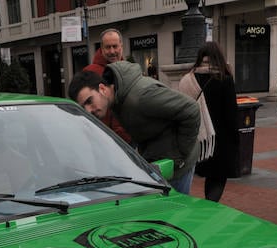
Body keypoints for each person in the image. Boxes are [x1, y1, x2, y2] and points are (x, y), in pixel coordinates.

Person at [69, 64, 200, 194]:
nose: (89, 110)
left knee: (176, 210)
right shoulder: (117, 100)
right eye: (83, 107)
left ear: (102, 88)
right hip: (159, 164)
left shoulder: (141, 97)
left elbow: (191, 110)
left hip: (178, 167)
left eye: (89, 101)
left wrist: (181, 156)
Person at [179, 42, 238, 202]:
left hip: (197, 140)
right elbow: (232, 114)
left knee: (198, 178)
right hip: (220, 140)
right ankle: (209, 207)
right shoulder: (224, 79)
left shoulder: (187, 80)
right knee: (217, 179)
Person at [83, 29, 132, 144]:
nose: (112, 51)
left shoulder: (130, 70)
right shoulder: (89, 73)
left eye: (115, 46)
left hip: (128, 140)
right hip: (100, 140)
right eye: (108, 47)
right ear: (101, 48)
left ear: (121, 46)